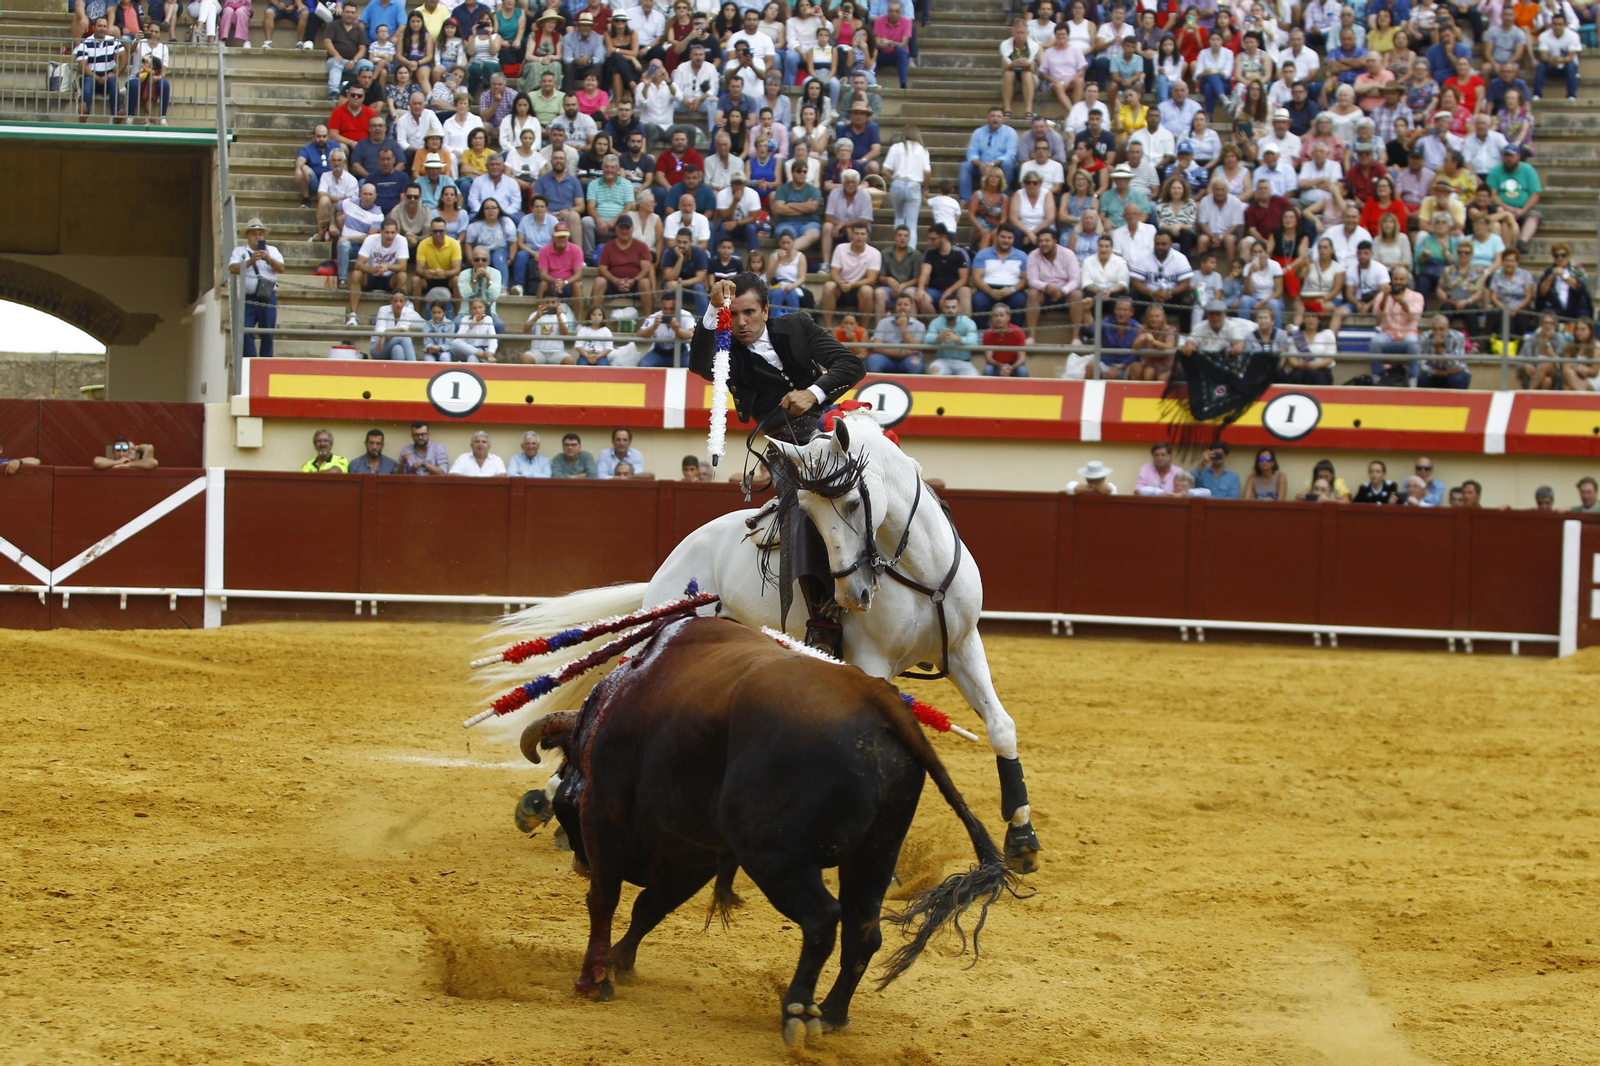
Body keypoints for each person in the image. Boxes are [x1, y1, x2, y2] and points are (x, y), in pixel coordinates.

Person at [689, 273, 864, 648]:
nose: (741, 323)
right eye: (733, 315)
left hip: (832, 432)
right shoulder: (726, 351)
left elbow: (851, 365)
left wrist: (813, 393)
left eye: (749, 312)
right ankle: (822, 621)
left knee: (885, 486)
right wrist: (711, 308)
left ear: (765, 310)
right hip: (785, 448)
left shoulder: (797, 326)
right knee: (800, 515)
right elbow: (699, 364)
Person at [228, 217, 284, 360]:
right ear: (247, 236)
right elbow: (232, 268)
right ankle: (250, 362)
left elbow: (281, 268)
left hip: (267, 296)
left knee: (268, 332)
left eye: (260, 234)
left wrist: (268, 259)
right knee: (246, 332)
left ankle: (265, 363)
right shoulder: (239, 251)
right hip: (248, 298)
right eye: (254, 234)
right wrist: (250, 261)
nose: (257, 237)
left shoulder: (272, 250)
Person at [864, 293, 926, 374]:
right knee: (873, 361)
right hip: (886, 357)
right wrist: (900, 353)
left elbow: (915, 348)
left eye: (906, 305)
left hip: (909, 358)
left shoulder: (919, 325)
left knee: (916, 365)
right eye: (899, 304)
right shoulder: (884, 322)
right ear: (895, 306)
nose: (902, 307)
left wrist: (903, 328)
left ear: (911, 307)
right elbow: (876, 346)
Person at [925, 292, 979, 375]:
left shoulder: (968, 322)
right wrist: (938, 338)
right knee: (934, 371)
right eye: (947, 307)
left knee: (974, 378)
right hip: (943, 361)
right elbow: (927, 339)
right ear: (943, 309)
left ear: (959, 308)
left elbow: (974, 341)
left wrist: (958, 338)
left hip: (964, 362)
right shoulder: (936, 322)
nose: (950, 310)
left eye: (953, 307)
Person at [981, 304, 1028, 377]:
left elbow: (1022, 357)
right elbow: (988, 358)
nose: (999, 318)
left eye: (1001, 315)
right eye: (996, 315)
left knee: (1023, 371)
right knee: (988, 369)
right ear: (992, 318)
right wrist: (1001, 366)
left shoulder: (1018, 331)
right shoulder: (988, 333)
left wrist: (1011, 368)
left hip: (1014, 365)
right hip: (997, 365)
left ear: (1008, 317)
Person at [93, 438, 160, 471]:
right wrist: (118, 462)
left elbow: (153, 462)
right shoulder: (109, 462)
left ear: (129, 451)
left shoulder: (136, 463)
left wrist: (128, 464)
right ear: (113, 452)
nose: (121, 453)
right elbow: (97, 461)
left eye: (125, 450)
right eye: (118, 450)